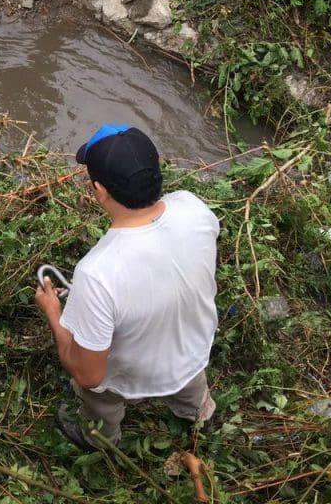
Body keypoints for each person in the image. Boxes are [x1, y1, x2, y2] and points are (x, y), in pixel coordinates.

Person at [34, 125, 219, 450]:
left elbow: (88, 374)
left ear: (100, 190)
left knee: (97, 394)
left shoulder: (96, 273)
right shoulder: (193, 208)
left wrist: (54, 314)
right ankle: (199, 413)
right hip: (192, 353)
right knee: (191, 385)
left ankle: (102, 437)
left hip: (130, 377)